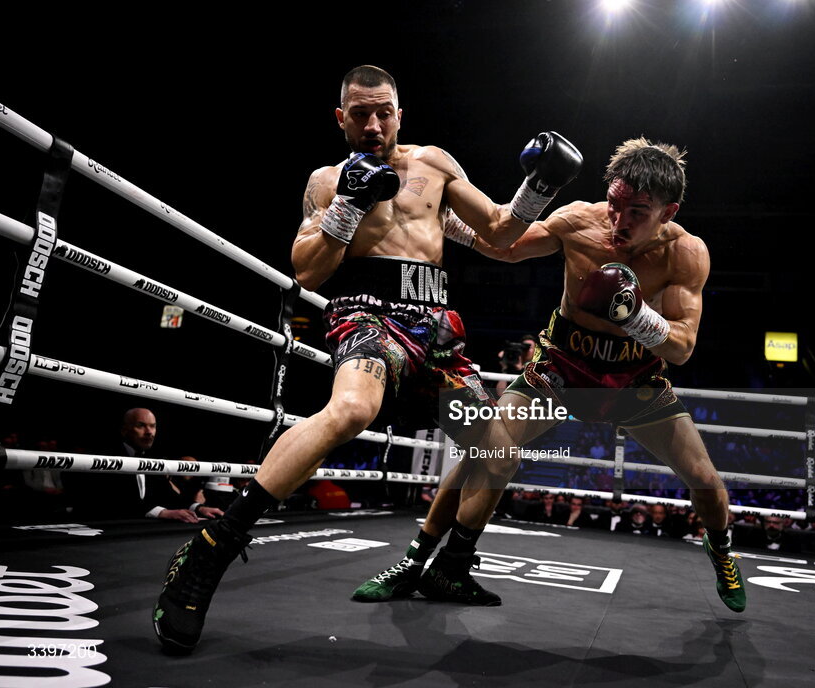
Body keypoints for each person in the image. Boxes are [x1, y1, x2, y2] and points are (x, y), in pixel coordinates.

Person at [152, 65, 582, 653]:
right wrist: (349, 203)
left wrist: (540, 186)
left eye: (384, 112)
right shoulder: (326, 179)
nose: (374, 124)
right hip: (367, 314)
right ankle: (213, 547)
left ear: (400, 113)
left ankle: (445, 567)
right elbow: (307, 269)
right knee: (353, 409)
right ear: (341, 117)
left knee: (497, 447)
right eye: (360, 113)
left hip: (434, 326)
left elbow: (501, 233)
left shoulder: (435, 164)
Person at [359, 137, 747, 614]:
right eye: (615, 203)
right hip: (562, 367)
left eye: (638, 212)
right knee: (489, 448)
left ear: (669, 211)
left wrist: (634, 316)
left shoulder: (686, 253)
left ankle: (723, 550)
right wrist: (443, 217)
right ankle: (427, 561)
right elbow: (504, 248)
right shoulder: (579, 219)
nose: (619, 221)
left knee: (705, 480)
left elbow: (683, 348)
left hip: (635, 380)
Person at [66, 408, 223, 522]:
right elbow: (111, 499)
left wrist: (197, 508)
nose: (149, 432)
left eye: (153, 426)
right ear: (124, 430)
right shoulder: (106, 455)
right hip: (98, 527)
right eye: (141, 425)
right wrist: (161, 512)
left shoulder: (152, 458)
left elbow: (166, 494)